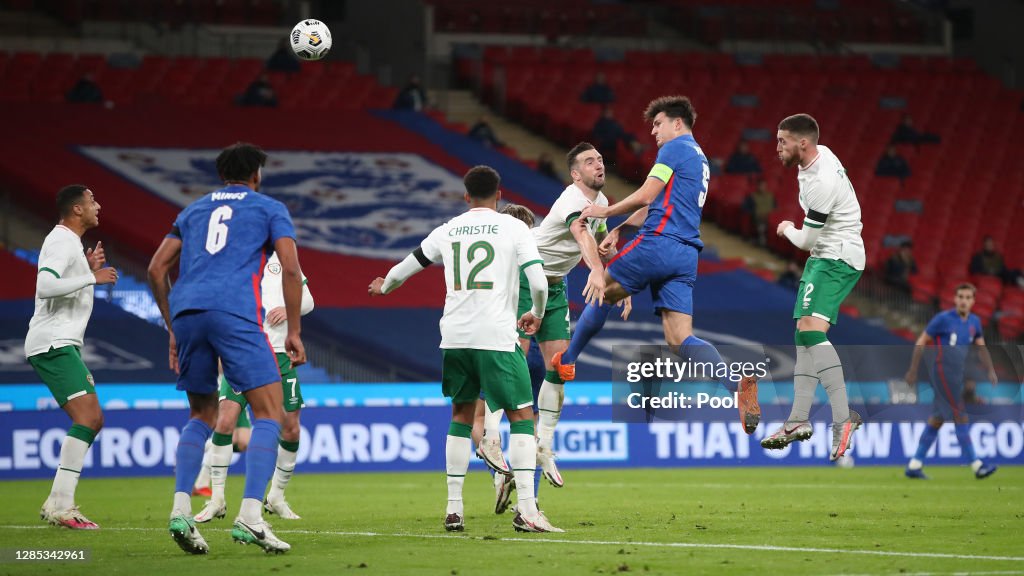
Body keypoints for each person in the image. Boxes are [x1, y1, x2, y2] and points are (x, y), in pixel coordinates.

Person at [368, 165, 562, 533]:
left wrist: (385, 288)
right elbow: (538, 281)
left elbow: (406, 267)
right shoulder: (514, 227)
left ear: (465, 195)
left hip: (454, 337)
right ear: (499, 194)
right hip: (496, 338)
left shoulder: (448, 229)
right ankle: (527, 509)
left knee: (460, 416)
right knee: (521, 415)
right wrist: (536, 313)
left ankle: (454, 509)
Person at [554, 96, 761, 436]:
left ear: (677, 124)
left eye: (658, 123)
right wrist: (622, 229)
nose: (653, 131)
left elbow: (649, 195)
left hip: (658, 244)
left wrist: (607, 214)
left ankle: (568, 360)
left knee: (601, 289)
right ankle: (736, 386)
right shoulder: (700, 159)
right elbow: (663, 202)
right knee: (681, 339)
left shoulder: (674, 149)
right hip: (686, 254)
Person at [148, 142, 306, 555]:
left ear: (221, 175)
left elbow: (156, 268)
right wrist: (295, 331)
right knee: (270, 412)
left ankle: (181, 509)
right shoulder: (268, 207)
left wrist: (171, 326)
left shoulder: (193, 210)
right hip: (234, 309)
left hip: (187, 311)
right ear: (256, 174)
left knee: (201, 413)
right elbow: (290, 268)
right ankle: (251, 517)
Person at [761, 113, 864, 461]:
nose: (777, 147)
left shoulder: (821, 181)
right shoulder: (819, 157)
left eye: (782, 141)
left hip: (835, 257)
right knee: (803, 333)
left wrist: (786, 227)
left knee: (811, 332)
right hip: (826, 256)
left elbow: (805, 240)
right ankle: (797, 421)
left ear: (802, 143)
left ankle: (843, 416)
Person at [193, 254, 315, 523]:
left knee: (291, 427)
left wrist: (287, 308)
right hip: (243, 353)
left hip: (281, 354)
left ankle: (276, 496)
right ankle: (217, 499)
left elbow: (308, 300)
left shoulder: (283, 258)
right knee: (225, 421)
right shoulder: (234, 257)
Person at [27, 185, 118, 529]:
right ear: (77, 209)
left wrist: (84, 267)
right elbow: (45, 286)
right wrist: (90, 276)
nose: (99, 204)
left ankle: (57, 502)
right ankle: (61, 506)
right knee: (90, 418)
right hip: (53, 344)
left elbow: (63, 281)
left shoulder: (71, 245)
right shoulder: (61, 240)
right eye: (93, 200)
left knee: (92, 419)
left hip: (61, 343)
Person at [903, 283, 998, 480]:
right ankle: (977, 465)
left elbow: (981, 347)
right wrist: (912, 370)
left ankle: (914, 464)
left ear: (973, 301)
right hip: (942, 371)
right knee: (960, 415)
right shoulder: (943, 319)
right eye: (960, 296)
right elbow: (921, 340)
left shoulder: (975, 322)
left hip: (957, 373)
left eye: (967, 297)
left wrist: (990, 370)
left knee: (938, 420)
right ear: (955, 299)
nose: (963, 300)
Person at [742, 179, 776, 246]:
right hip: (758, 217)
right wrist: (753, 213)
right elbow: (745, 207)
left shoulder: (770, 196)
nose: (763, 187)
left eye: (764, 186)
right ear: (758, 186)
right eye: (761, 186)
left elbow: (775, 207)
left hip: (770, 216)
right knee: (761, 222)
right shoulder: (752, 196)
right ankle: (761, 238)